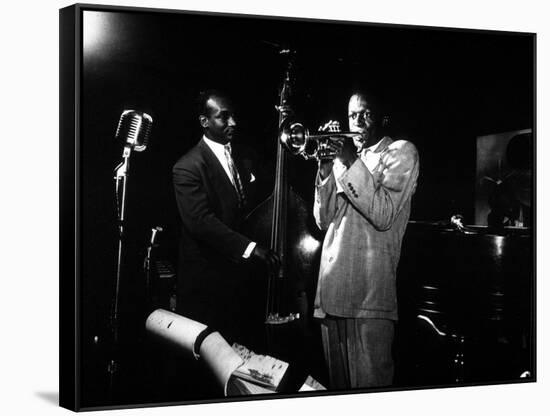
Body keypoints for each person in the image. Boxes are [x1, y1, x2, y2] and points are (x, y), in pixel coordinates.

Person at [312, 92, 419, 389]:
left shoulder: (401, 152)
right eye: (352, 115)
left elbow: (383, 213)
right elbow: (323, 220)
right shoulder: (344, 159)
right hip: (330, 294)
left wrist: (348, 159)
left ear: (382, 117)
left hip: (369, 298)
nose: (357, 122)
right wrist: (324, 169)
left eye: (365, 114)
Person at [172, 90, 279, 348]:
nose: (233, 123)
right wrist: (251, 249)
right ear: (204, 122)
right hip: (206, 287)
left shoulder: (244, 157)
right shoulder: (187, 166)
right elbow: (201, 223)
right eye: (224, 117)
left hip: (238, 284)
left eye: (234, 116)